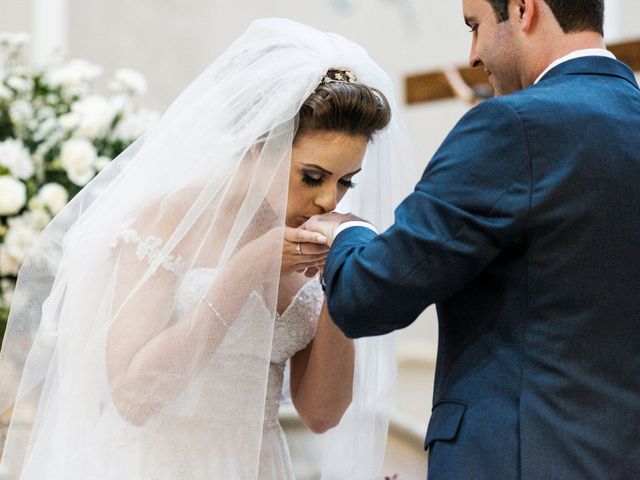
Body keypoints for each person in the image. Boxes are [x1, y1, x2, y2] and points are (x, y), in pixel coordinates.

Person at [0, 19, 415, 479]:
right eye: (312, 177)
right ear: (262, 145)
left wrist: (343, 277)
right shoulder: (165, 221)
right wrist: (247, 269)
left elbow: (321, 415)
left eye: (345, 181)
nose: (330, 200)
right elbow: (133, 398)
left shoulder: (316, 237)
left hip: (259, 465)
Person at [305, 0, 640, 478]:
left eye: (475, 26)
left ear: (524, 10)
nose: (473, 55)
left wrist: (346, 230)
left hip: (515, 458)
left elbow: (368, 294)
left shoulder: (514, 126)